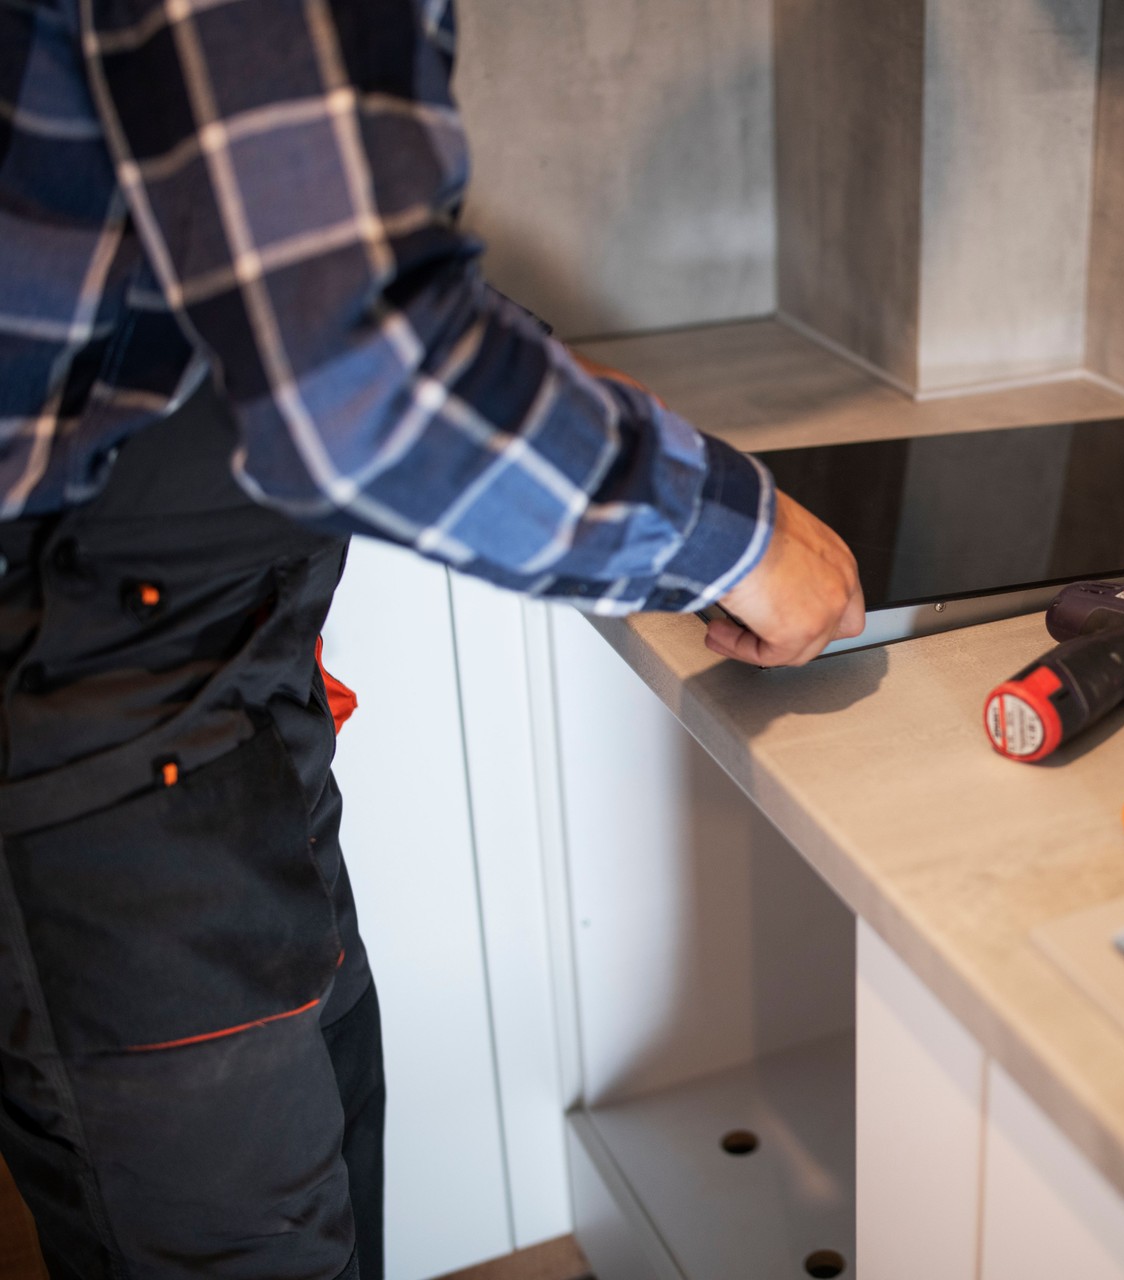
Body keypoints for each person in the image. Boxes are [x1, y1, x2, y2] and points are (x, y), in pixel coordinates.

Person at [0, 2, 863, 1275]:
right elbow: (365, 377)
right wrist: (735, 537)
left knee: (322, 1188)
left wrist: (608, 450)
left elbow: (328, 267)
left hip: (212, 710)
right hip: (102, 731)